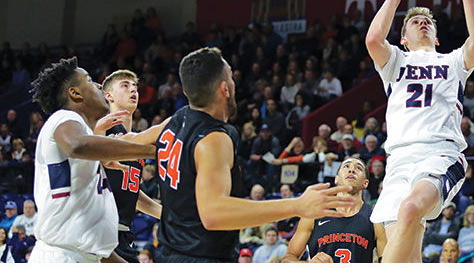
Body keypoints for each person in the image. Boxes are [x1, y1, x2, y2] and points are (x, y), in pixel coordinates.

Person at [133, 47, 354, 262]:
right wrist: (297, 205)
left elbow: (125, 143)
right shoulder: (213, 138)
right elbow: (213, 214)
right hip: (201, 260)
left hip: (170, 254)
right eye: (230, 77)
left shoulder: (173, 122)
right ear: (225, 89)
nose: (233, 82)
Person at [365, 0, 474, 263]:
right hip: (398, 161)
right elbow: (374, 39)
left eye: (428, 21)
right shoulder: (395, 63)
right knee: (405, 257)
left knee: (409, 210)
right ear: (403, 38)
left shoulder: (452, 62)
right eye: (414, 21)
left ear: (437, 35)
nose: (422, 22)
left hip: (439, 153)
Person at [28, 57, 156, 263]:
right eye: (89, 80)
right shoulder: (65, 117)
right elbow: (78, 145)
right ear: (75, 93)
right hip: (60, 259)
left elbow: (94, 250)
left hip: (81, 256)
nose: (98, 84)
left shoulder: (87, 158)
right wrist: (153, 152)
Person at [101, 69, 162, 262]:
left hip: (124, 233)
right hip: (100, 231)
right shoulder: (101, 131)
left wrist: (169, 215)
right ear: (108, 95)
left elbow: (132, 192)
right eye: (125, 85)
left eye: (135, 86)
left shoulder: (137, 138)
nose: (133, 89)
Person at [282, 157, 387, 263]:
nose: (351, 170)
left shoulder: (375, 217)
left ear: (366, 183)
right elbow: (288, 259)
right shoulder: (315, 213)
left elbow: (387, 263)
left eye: (358, 168)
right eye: (346, 166)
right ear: (336, 179)